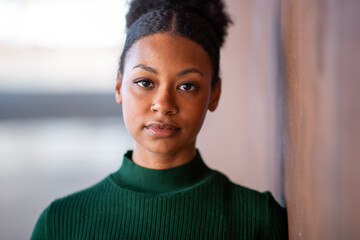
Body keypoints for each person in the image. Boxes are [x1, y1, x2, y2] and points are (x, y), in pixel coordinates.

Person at [31, 0, 288, 239]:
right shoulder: (61, 223)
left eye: (187, 86)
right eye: (145, 82)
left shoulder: (258, 220)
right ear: (119, 87)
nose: (164, 105)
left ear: (214, 94)